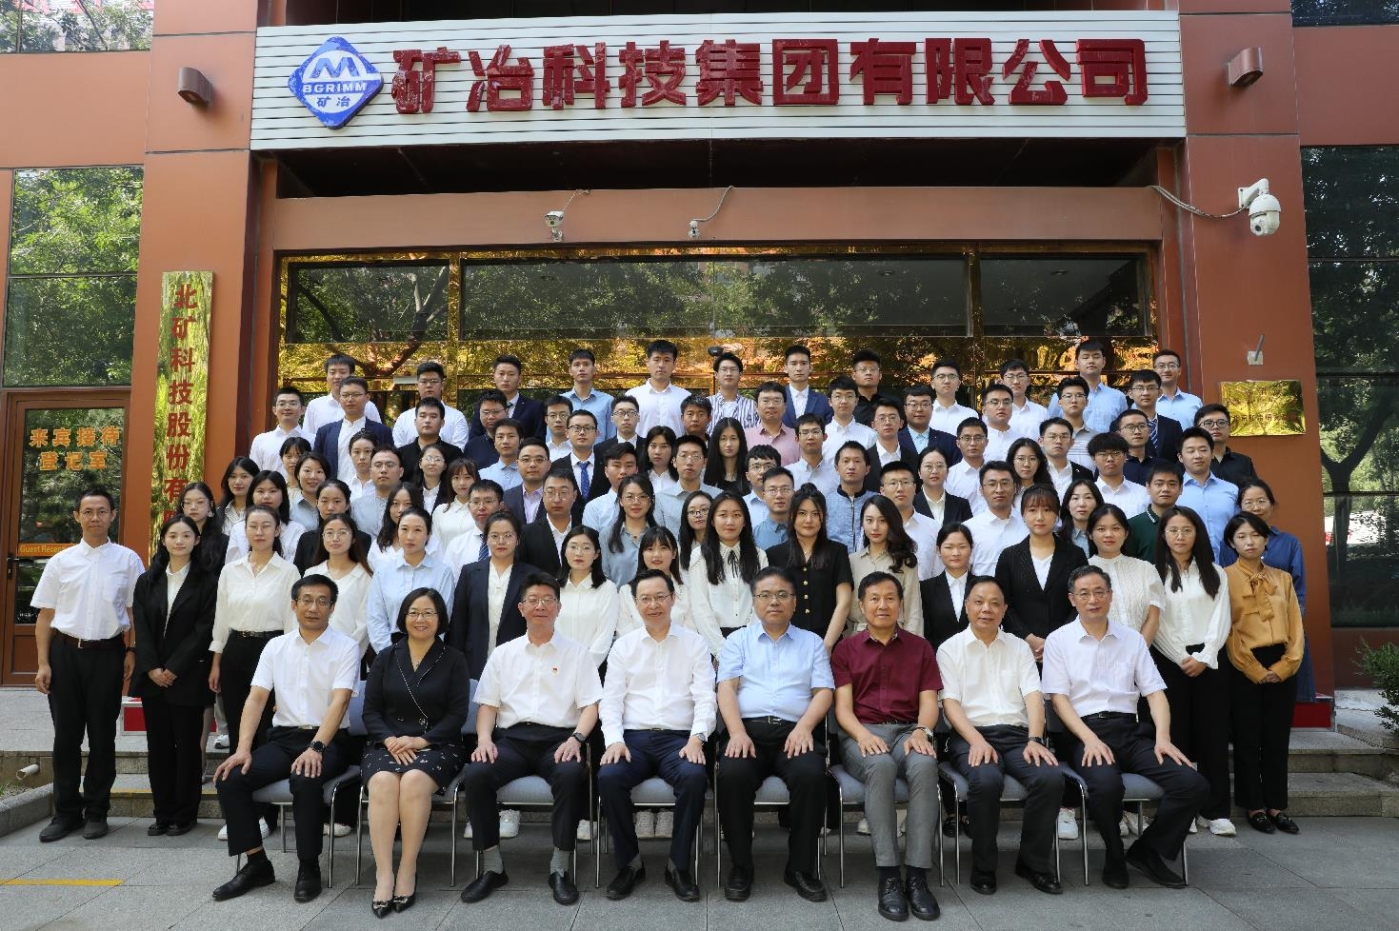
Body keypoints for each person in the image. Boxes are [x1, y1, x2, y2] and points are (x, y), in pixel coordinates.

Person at [1043, 566, 1209, 890]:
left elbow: (1155, 693)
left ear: (1110, 596)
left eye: (1099, 592)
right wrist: (1090, 739)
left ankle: (1148, 851)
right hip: (1083, 733)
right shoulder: (1059, 640)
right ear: (1072, 599)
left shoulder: (1132, 639)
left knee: (1192, 783)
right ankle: (1115, 853)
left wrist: (1163, 738)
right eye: (1084, 594)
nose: (1093, 600)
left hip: (1131, 732)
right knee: (1106, 786)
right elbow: (1059, 700)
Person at [210, 574, 357, 904]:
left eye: (322, 601)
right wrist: (242, 749)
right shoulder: (276, 647)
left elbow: (340, 702)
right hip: (284, 738)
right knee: (231, 777)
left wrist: (316, 747)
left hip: (329, 740)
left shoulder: (345, 647)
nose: (313, 607)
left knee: (305, 778)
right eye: (306, 600)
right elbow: (257, 698)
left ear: (332, 608)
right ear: (294, 605)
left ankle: (309, 867)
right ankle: (257, 864)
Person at [460, 573, 602, 907]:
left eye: (548, 600)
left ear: (558, 607)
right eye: (533, 600)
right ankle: (492, 866)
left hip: (559, 740)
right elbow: (488, 706)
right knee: (477, 773)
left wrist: (577, 739)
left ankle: (560, 868)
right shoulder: (503, 654)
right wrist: (484, 740)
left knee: (570, 774)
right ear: (521, 608)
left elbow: (591, 706)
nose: (541, 606)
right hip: (512, 740)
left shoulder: (577, 653)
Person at [31, 488, 145, 843]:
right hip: (65, 655)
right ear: (76, 516)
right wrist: (43, 663)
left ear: (113, 515)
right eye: (88, 511)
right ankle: (66, 812)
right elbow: (45, 616)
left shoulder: (128, 560)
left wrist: (132, 651)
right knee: (66, 737)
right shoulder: (61, 561)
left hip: (108, 655)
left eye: (102, 511)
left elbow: (135, 613)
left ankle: (97, 810)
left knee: (101, 735)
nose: (95, 517)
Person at [939, 576, 1064, 897]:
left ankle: (1033, 863)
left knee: (1049, 778)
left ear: (1005, 609)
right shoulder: (950, 649)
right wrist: (976, 741)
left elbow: (1033, 695)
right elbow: (950, 703)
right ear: (967, 606)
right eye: (979, 602)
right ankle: (984, 866)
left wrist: (1035, 738)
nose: (987, 609)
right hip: (970, 735)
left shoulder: (1019, 647)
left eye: (995, 603)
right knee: (986, 780)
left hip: (1018, 736)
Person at [716, 567, 834, 903]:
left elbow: (824, 691)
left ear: (795, 602)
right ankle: (741, 866)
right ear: (753, 601)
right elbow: (726, 689)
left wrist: (804, 727)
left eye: (783, 595)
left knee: (812, 776)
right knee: (733, 775)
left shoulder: (812, 642)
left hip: (796, 732)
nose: (774, 601)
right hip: (747, 731)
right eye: (765, 595)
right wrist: (736, 732)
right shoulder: (737, 641)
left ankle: (801, 868)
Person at [597, 569, 716, 902]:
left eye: (660, 597)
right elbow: (611, 701)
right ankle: (630, 864)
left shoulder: (695, 643)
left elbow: (706, 697)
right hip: (632, 739)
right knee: (609, 777)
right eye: (645, 599)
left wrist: (697, 739)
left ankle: (678, 865)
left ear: (673, 599)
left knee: (694, 777)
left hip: (679, 740)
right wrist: (614, 740)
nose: (653, 605)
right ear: (635, 604)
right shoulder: (623, 647)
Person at [832, 572, 944, 920]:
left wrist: (922, 731)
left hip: (908, 730)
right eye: (875, 598)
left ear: (901, 604)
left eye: (890, 598)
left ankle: (917, 876)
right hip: (861, 733)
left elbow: (929, 701)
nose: (883, 605)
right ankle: (889, 875)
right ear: (861, 605)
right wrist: (863, 736)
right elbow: (842, 709)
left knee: (925, 765)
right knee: (880, 765)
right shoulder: (846, 649)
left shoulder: (920, 648)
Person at [362, 587, 471, 917]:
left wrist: (421, 742)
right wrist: (391, 739)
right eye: (413, 612)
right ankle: (384, 874)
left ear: (440, 618)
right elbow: (370, 711)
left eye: (428, 613)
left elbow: (457, 715)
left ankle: (407, 868)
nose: (420, 619)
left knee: (412, 781)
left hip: (438, 743)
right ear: (403, 617)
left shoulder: (453, 659)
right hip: (388, 742)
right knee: (383, 782)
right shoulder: (385, 657)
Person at [210, 505, 301, 843]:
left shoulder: (288, 571)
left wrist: (287, 676)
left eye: (266, 526)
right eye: (253, 526)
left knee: (264, 734)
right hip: (235, 650)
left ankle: (265, 815)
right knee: (238, 730)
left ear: (278, 530)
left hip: (272, 648)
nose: (259, 532)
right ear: (244, 530)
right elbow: (221, 620)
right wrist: (217, 661)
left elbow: (292, 626)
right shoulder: (230, 570)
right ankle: (238, 812)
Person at [131, 515, 217, 837]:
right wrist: (152, 667)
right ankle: (162, 812)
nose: (179, 541)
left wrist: (174, 668)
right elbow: (141, 625)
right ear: (163, 540)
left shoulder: (208, 581)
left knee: (187, 747)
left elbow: (204, 629)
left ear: (197, 540)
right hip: (153, 678)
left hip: (188, 675)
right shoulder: (148, 580)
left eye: (186, 535)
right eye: (172, 535)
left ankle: (185, 813)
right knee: (159, 747)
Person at [1151, 506, 1235, 836]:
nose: (1180, 536)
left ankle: (1215, 811)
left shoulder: (1215, 572)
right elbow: (1155, 622)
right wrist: (1180, 656)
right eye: (1173, 530)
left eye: (1187, 530)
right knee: (1176, 735)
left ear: (1197, 533)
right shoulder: (1153, 574)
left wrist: (1206, 655)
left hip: (1210, 662)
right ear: (1163, 535)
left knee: (1213, 736)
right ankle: (1182, 809)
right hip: (1170, 662)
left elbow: (1221, 617)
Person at [1222, 512, 1305, 836]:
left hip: (1282, 661)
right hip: (1244, 664)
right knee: (1247, 737)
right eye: (1242, 536)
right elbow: (1227, 630)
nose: (1250, 542)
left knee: (1277, 738)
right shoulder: (1224, 578)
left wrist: (1286, 665)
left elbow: (1296, 626)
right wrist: (1253, 668)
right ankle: (1253, 805)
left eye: (1256, 535)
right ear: (1231, 543)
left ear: (1266, 539)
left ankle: (1276, 805)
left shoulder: (1282, 578)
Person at [1222, 479, 1315, 702]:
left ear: (1272, 505)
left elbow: (1299, 592)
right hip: (1245, 642)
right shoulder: (1228, 555)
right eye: (1249, 502)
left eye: (1261, 501)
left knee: (1281, 707)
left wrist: (1291, 634)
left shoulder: (1289, 545)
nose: (1256, 507)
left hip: (1284, 632)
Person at [997, 484, 1088, 663]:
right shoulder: (1009, 557)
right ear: (1023, 514)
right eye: (1032, 510)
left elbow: (1081, 601)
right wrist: (1029, 638)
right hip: (1020, 649)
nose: (1040, 517)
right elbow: (1004, 604)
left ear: (1057, 514)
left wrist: (1057, 639)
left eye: (1047, 510)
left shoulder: (1075, 555)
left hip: (1068, 648)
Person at [448, 511, 543, 681]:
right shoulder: (470, 572)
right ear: (486, 539)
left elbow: (537, 622)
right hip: (474, 660)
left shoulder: (532, 576)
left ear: (518, 539)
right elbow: (458, 623)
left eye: (508, 536)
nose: (501, 541)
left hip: (518, 662)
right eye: (494, 536)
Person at [765, 486, 854, 650]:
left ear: (823, 517)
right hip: (787, 645)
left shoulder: (837, 552)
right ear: (791, 516)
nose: (808, 520)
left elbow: (844, 602)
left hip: (830, 643)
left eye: (815, 514)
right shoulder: (774, 555)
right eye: (802, 513)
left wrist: (827, 646)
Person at [366, 507, 456, 655]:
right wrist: (390, 656)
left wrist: (425, 655)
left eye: (417, 530)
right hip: (388, 652)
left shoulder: (442, 572)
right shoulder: (383, 572)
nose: (409, 536)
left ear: (428, 534)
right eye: (404, 529)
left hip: (429, 652)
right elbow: (375, 619)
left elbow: (442, 618)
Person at [689, 492, 768, 657]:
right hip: (714, 643)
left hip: (753, 642)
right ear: (712, 520)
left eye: (737, 515)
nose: (730, 522)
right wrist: (720, 650)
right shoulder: (700, 556)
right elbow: (700, 607)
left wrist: (749, 644)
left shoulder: (759, 556)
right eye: (723, 515)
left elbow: (762, 601)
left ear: (745, 521)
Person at [1088, 504, 1164, 644]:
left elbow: (1153, 618)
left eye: (1116, 528)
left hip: (1142, 652)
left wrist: (1138, 652)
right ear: (1090, 534)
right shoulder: (1083, 572)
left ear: (1126, 533)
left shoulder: (1145, 569)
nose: (1109, 534)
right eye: (1101, 529)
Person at [849, 496, 923, 635]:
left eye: (882, 521)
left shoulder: (904, 561)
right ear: (862, 523)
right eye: (869, 520)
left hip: (896, 637)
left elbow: (913, 611)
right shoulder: (851, 561)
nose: (875, 527)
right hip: (859, 638)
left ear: (891, 522)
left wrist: (913, 645)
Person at [305, 512, 373, 657]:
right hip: (311, 651)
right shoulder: (311, 573)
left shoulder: (365, 577)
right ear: (322, 537)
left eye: (342, 533)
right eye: (329, 533)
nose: (335, 538)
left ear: (353, 538)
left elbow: (364, 624)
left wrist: (346, 651)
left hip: (348, 654)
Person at [556, 526, 620, 669]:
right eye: (573, 547)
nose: (579, 553)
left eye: (586, 548)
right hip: (555, 667)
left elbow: (605, 635)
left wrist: (584, 667)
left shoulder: (607, 589)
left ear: (596, 554)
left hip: (592, 669)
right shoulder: (553, 588)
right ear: (565, 551)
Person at [312, 375, 394, 484]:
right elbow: (317, 465)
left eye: (356, 395)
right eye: (345, 395)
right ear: (340, 398)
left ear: (367, 398)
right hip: (335, 490)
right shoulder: (325, 432)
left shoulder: (382, 431)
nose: (350, 399)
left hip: (371, 489)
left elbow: (389, 463)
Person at [617, 527, 689, 637]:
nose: (656, 555)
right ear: (642, 554)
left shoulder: (687, 591)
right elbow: (624, 636)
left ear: (674, 553)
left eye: (663, 548)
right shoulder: (626, 592)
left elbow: (690, 634)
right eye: (650, 549)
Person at [1176, 427, 1236, 557]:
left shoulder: (1231, 490)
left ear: (1212, 453)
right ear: (1180, 457)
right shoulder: (1173, 492)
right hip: (1190, 563)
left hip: (1229, 563)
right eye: (1191, 451)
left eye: (1203, 450)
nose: (1198, 455)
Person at [1046, 340, 1127, 433]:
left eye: (1096, 357)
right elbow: (1050, 430)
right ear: (1076, 363)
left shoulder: (1118, 397)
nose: (1091, 361)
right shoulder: (1060, 396)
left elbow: (1124, 431)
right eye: (1085, 357)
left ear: (1104, 362)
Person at [225, 470, 305, 564]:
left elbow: (295, 567)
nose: (266, 496)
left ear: (283, 496)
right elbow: (232, 565)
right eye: (260, 491)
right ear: (252, 496)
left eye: (272, 491)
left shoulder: (297, 530)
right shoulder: (238, 529)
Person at [964, 462, 1029, 575]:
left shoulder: (1028, 525)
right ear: (981, 490)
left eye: (1005, 483)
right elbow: (962, 571)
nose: (999, 490)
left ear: (1015, 488)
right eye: (992, 484)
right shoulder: (968, 529)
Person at [879, 460, 940, 580]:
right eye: (893, 483)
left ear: (915, 487)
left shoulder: (933, 528)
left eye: (906, 482)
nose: (900, 488)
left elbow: (939, 574)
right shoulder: (873, 528)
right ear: (882, 491)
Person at [291, 479, 369, 573]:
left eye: (337, 501)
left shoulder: (363, 539)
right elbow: (298, 575)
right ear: (317, 503)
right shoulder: (306, 539)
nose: (330, 507)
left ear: (347, 504)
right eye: (324, 501)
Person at [920, 523, 975, 651]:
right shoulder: (925, 589)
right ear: (938, 550)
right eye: (949, 547)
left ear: (971, 549)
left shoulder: (983, 586)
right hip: (938, 657)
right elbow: (925, 631)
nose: (956, 553)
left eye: (962, 547)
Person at [391, 360, 469, 448]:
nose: (428, 385)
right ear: (417, 385)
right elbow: (398, 452)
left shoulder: (457, 418)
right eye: (424, 381)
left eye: (434, 381)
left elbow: (459, 452)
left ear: (442, 385)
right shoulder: (403, 419)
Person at [520, 467, 579, 577]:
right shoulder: (526, 534)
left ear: (574, 496)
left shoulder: (585, 531)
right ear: (543, 495)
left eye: (563, 492)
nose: (557, 499)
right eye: (551, 492)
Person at [303, 353, 383, 434]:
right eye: (332, 372)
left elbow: (379, 435)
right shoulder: (314, 405)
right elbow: (308, 437)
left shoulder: (368, 406)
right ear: (327, 376)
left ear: (351, 375)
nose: (337, 377)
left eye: (342, 372)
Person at [656, 433, 721, 531]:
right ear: (674, 462)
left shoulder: (718, 496)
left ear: (705, 463)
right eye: (683, 455)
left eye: (696, 456)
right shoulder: (661, 499)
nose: (689, 462)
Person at [601, 475, 658, 588]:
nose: (636, 502)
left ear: (650, 501)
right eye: (630, 497)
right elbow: (604, 575)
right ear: (621, 501)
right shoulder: (607, 535)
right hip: (616, 598)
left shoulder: (660, 535)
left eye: (642, 496)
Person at [470, 354, 544, 440]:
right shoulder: (483, 406)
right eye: (501, 374)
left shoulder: (535, 407)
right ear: (494, 376)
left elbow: (539, 440)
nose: (505, 379)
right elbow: (474, 440)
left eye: (511, 374)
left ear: (520, 378)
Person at [395, 397, 465, 486]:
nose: (427, 420)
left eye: (433, 416)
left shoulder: (454, 453)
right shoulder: (401, 454)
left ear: (442, 423)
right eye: (422, 416)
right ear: (415, 422)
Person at [442, 480, 504, 576]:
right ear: (469, 506)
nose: (481, 507)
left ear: (500, 506)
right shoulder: (456, 545)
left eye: (488, 501)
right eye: (476, 502)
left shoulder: (512, 543)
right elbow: (449, 581)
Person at [626, 338, 688, 434]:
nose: (661, 365)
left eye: (667, 360)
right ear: (647, 362)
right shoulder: (632, 396)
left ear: (674, 364)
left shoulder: (685, 397)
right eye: (656, 359)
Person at [249, 386, 312, 475]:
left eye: (293, 403)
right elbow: (254, 474)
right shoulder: (260, 440)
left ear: (303, 410)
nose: (287, 407)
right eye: (282, 404)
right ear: (274, 410)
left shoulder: (313, 440)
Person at [1125, 370, 1184, 462]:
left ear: (1160, 392)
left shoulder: (1173, 426)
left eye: (1151, 388)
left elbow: (1181, 459)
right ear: (1130, 393)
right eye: (1140, 388)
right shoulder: (1119, 425)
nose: (1145, 393)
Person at [1130, 462, 1184, 562]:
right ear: (1148, 488)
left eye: (1172, 484)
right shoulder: (1133, 526)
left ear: (1181, 489)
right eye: (1159, 484)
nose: (1165, 489)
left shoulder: (1189, 521)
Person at [1195, 404, 1259, 487]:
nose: (1215, 427)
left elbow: (1253, 491)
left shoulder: (1244, 462)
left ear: (1229, 428)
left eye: (1221, 422)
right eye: (1208, 423)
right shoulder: (1189, 462)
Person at [828, 441, 875, 552]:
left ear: (867, 469)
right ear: (836, 468)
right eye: (846, 461)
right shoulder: (825, 502)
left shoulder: (877, 501)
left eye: (857, 461)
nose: (851, 466)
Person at [1090, 432, 1150, 518]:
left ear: (1125, 456)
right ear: (1093, 458)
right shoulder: (1088, 494)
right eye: (1103, 454)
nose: (1110, 459)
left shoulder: (1143, 493)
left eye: (1116, 453)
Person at [582, 442, 639, 531]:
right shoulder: (594, 508)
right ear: (606, 471)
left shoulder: (647, 503)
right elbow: (590, 539)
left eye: (629, 466)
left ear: (636, 470)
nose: (623, 471)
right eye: (617, 465)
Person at [350, 446, 405, 539]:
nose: (383, 470)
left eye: (390, 465)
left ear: (401, 472)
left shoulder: (411, 505)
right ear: (370, 472)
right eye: (378, 465)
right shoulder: (356, 507)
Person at [898, 383, 960, 464]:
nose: (919, 409)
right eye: (913, 404)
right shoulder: (893, 440)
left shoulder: (950, 442)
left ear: (932, 408)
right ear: (905, 409)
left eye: (925, 404)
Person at [914, 446, 974, 528]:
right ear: (919, 473)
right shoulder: (909, 505)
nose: (934, 471)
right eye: (928, 466)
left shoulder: (962, 505)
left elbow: (968, 534)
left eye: (940, 466)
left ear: (947, 471)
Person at [563, 347, 615, 441]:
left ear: (594, 369)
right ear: (570, 370)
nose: (581, 368)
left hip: (598, 451)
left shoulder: (608, 401)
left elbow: (612, 438)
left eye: (586, 364)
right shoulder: (560, 402)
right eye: (577, 365)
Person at [178, 480, 230, 572]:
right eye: (188, 502)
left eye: (200, 502)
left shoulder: (223, 542)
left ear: (210, 505)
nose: (193, 507)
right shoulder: (173, 538)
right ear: (182, 507)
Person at [746, 380, 800, 464]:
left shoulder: (798, 437)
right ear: (756, 406)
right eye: (765, 401)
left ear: (785, 407)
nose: (771, 405)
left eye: (776, 401)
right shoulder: (745, 436)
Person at [823, 375, 877, 458]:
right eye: (838, 396)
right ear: (830, 401)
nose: (844, 401)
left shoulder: (870, 435)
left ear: (856, 401)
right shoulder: (821, 436)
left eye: (849, 396)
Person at [1039, 417, 1094, 497]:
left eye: (1064, 437)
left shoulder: (1085, 474)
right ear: (1041, 441)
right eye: (1052, 436)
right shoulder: (1034, 470)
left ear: (1072, 442)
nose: (1058, 441)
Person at [501, 438, 551, 526]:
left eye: (539, 460)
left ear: (549, 465)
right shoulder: (506, 498)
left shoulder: (558, 497)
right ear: (517, 464)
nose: (532, 465)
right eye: (526, 460)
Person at [563, 409, 601, 524]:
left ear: (597, 433)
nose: (582, 432)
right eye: (576, 428)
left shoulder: (607, 465)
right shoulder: (556, 467)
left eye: (588, 428)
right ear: (567, 433)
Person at [781, 344, 833, 427]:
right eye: (794, 364)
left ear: (810, 367)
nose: (799, 368)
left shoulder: (824, 402)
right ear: (785, 368)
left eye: (803, 363)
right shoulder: (775, 399)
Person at [432, 458, 481, 547]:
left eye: (467, 477)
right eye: (456, 478)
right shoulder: (440, 511)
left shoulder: (483, 510)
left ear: (476, 479)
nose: (462, 483)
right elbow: (435, 545)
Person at [1053, 377, 1099, 470]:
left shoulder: (1097, 438)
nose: (1074, 400)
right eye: (1068, 396)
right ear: (1059, 402)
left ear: (1086, 402)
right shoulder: (1049, 437)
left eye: (1079, 395)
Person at [789, 413, 840, 496]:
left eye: (815, 432)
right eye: (805, 433)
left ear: (824, 437)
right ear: (797, 439)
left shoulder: (837, 474)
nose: (810, 437)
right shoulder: (788, 474)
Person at [944, 417, 988, 511]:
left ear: (986, 442)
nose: (973, 443)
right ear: (958, 443)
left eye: (978, 438)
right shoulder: (949, 477)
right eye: (967, 438)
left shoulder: (998, 473)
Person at [707, 351, 759, 428]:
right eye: (724, 369)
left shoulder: (753, 407)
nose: (729, 373)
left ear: (740, 375)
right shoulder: (705, 405)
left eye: (733, 369)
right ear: (716, 375)